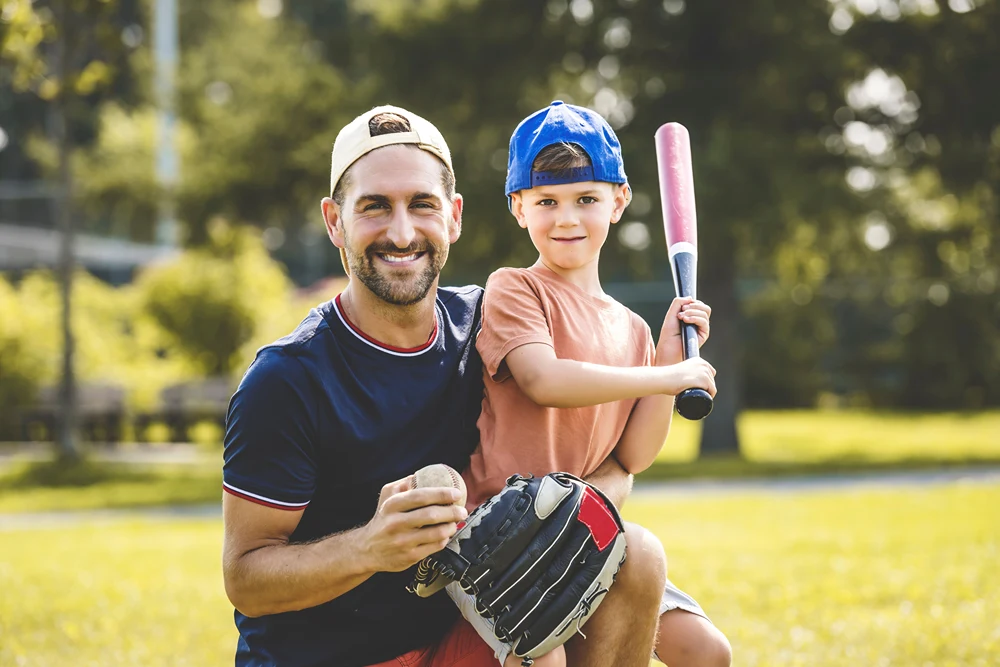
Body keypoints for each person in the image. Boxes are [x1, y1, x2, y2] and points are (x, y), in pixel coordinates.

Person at [221, 105, 666, 667]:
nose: (402, 232)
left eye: (422, 205)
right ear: (335, 221)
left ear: (454, 216)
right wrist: (369, 547)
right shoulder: (286, 380)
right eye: (375, 206)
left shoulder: (494, 324)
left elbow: (614, 456)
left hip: (458, 637)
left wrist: (572, 506)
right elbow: (245, 578)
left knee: (637, 559)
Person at [449, 101, 733, 667]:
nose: (567, 218)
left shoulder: (629, 330)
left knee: (708, 652)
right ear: (518, 208)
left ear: (619, 201)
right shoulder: (515, 289)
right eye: (546, 202)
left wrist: (667, 351)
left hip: (584, 540)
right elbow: (543, 379)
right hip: (505, 543)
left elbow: (633, 455)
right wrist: (665, 373)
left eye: (587, 199)